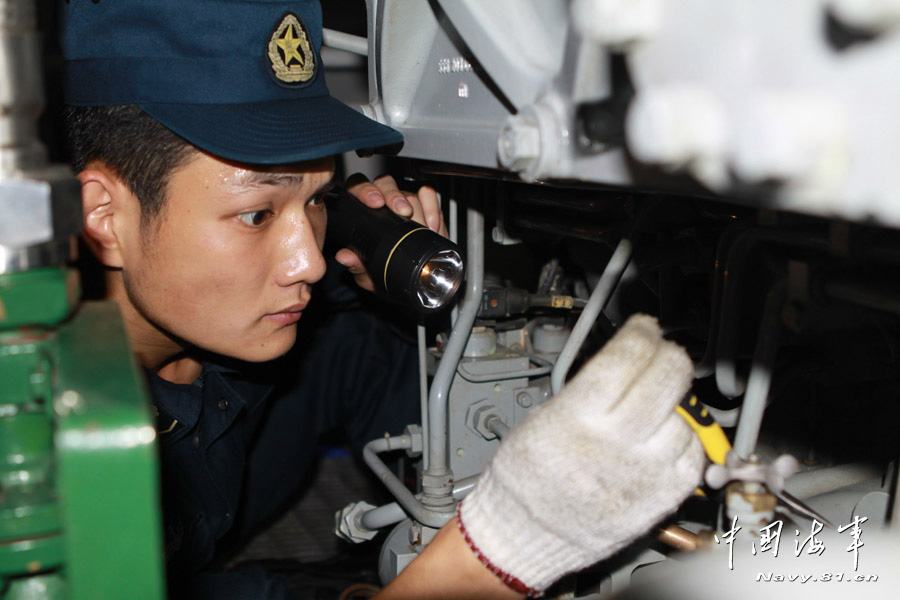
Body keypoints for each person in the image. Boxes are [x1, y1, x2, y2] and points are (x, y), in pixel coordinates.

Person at [59, 1, 705, 598]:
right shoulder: (44, 449)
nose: (306, 261)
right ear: (105, 216)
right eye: (256, 214)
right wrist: (500, 549)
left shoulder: (253, 322)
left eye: (314, 199)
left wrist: (395, 303)